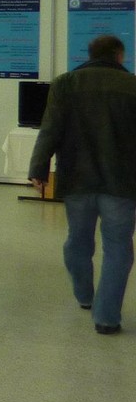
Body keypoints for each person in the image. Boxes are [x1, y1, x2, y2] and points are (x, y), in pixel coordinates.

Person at [29, 33, 136, 334]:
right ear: (119, 56)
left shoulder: (65, 84)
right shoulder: (132, 85)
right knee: (118, 248)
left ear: (90, 55)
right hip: (121, 183)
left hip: (77, 179)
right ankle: (106, 317)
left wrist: (38, 169)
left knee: (78, 241)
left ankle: (85, 295)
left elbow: (50, 129)